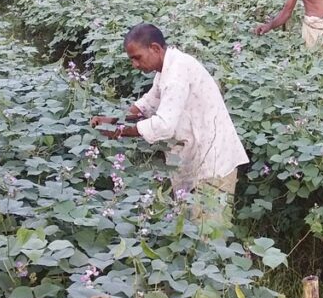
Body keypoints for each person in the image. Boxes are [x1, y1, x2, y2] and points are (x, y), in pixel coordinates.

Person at [90, 23, 249, 226]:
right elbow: (148, 103)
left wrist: (119, 132)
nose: (135, 65)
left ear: (155, 48)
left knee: (209, 236)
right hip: (196, 155)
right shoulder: (166, 69)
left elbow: (165, 125)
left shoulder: (176, 74)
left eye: (137, 57)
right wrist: (112, 120)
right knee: (190, 228)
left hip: (214, 161)